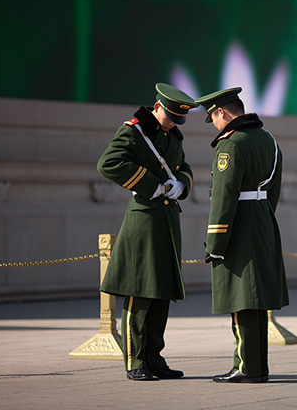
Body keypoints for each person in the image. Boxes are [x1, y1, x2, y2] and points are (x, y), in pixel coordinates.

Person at [97, 83, 198, 381]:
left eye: (177, 119)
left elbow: (184, 167)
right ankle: (136, 360)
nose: (172, 123)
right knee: (141, 292)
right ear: (157, 108)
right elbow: (109, 163)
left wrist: (182, 184)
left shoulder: (171, 135)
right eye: (169, 117)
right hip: (144, 219)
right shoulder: (133, 131)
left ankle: (154, 358)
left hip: (167, 219)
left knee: (160, 292)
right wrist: (152, 186)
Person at [195, 87, 289, 384]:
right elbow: (273, 191)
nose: (216, 124)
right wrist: (261, 217)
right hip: (262, 220)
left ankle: (248, 368)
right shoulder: (269, 140)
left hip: (239, 225)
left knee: (242, 298)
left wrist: (216, 243)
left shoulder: (230, 145)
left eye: (214, 118)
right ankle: (254, 365)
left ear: (222, 112)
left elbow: (223, 198)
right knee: (256, 298)